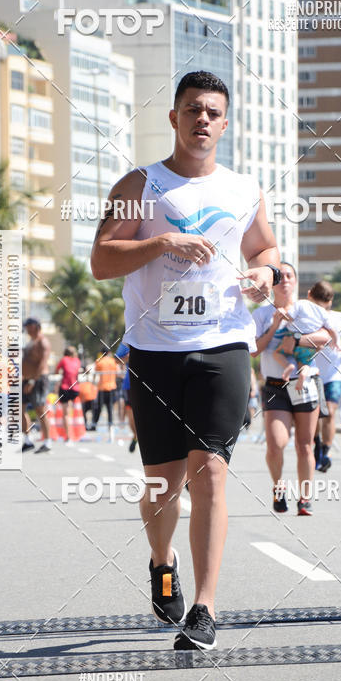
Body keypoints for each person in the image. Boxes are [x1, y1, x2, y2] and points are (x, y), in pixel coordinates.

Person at [91, 70, 279, 651]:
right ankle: (161, 558)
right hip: (155, 349)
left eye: (213, 112)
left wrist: (266, 272)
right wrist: (161, 243)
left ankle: (205, 607)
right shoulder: (140, 184)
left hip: (222, 343)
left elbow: (265, 246)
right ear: (173, 118)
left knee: (211, 472)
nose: (203, 119)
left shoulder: (244, 189)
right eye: (192, 109)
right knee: (163, 483)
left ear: (225, 124)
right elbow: (101, 259)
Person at [252, 263, 335, 516]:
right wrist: (275, 326)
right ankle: (278, 488)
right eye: (280, 276)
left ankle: (305, 499)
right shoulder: (262, 314)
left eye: (289, 275)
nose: (285, 280)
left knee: (305, 445)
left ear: (296, 281)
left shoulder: (310, 309)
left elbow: (328, 337)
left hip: (305, 383)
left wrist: (297, 340)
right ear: (272, 283)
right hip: (276, 386)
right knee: (276, 444)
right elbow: (254, 349)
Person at [308, 281, 341, 473]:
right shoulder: (305, 316)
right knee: (314, 416)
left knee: (329, 411)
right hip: (311, 373)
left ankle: (325, 452)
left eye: (327, 300)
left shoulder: (340, 318)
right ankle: (318, 444)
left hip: (333, 374)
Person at [21, 317, 52, 453]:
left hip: (38, 380)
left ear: (35, 326)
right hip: (26, 380)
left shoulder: (43, 342)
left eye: (28, 326)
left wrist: (33, 380)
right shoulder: (30, 342)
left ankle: (47, 442)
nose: (26, 329)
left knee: (41, 411)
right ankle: (27, 440)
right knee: (19, 409)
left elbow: (42, 363)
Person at [55, 345, 82, 443]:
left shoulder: (64, 359)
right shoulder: (77, 361)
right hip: (75, 389)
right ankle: (76, 434)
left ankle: (68, 436)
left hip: (65, 388)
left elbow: (56, 370)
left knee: (66, 414)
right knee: (73, 411)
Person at [115, 342, 137, 452]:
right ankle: (136, 436)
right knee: (130, 413)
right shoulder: (128, 340)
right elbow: (117, 358)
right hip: (130, 385)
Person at [92, 349, 119, 440]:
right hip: (112, 387)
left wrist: (93, 384)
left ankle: (94, 424)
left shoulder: (99, 361)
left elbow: (95, 374)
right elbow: (118, 372)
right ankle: (110, 427)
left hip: (102, 388)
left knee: (99, 407)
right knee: (110, 409)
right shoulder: (113, 361)